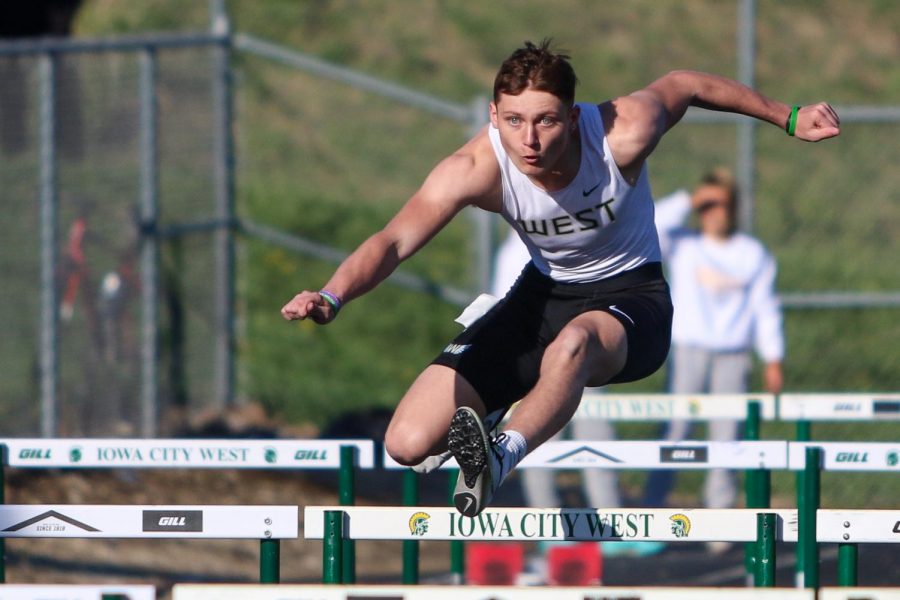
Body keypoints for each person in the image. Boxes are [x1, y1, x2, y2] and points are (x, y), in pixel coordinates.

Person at [281, 39, 840, 518]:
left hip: (632, 300)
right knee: (406, 442)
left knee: (573, 343)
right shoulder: (476, 167)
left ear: (572, 118)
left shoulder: (621, 133)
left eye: (546, 121)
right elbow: (394, 240)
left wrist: (787, 116)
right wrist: (334, 292)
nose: (529, 141)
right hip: (542, 294)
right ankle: (501, 405)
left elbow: (687, 83)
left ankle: (500, 455)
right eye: (514, 121)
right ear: (493, 117)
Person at [642, 169, 785, 539]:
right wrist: (689, 199)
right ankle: (650, 515)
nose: (715, 213)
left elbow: (765, 308)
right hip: (689, 353)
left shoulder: (752, 254)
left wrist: (773, 357)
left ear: (734, 209)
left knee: (728, 439)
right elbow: (649, 224)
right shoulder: (684, 244)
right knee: (674, 431)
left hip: (732, 357)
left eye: (722, 205)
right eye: (708, 205)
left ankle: (720, 526)